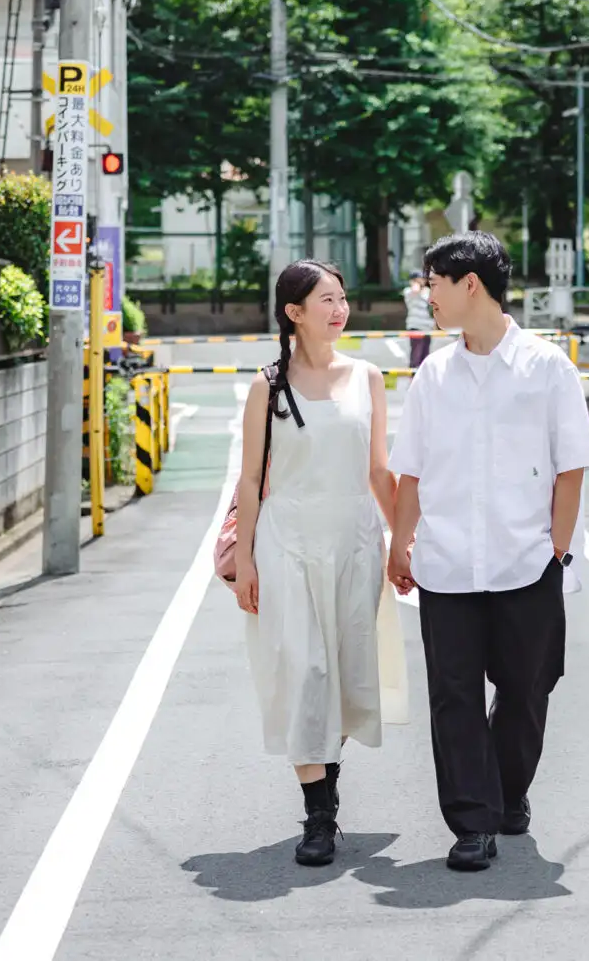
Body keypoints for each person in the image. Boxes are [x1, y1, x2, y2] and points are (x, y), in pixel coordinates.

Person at [387, 231, 589, 872]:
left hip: (526, 562)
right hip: (447, 564)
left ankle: (508, 791)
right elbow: (411, 472)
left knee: (528, 690)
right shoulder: (433, 375)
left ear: (470, 284)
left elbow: (571, 467)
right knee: (452, 697)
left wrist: (556, 550)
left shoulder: (547, 367)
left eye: (435, 283)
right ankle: (472, 822)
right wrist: (400, 544)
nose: (428, 295)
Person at [231, 258, 404, 868]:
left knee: (347, 674)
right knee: (305, 670)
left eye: (342, 298)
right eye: (326, 300)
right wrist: (245, 560)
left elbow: (379, 469)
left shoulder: (368, 378)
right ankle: (319, 815)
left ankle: (326, 780)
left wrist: (403, 539)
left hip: (354, 540)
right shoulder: (268, 387)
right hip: (287, 542)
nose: (339, 309)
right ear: (294, 312)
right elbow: (250, 479)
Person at [403, 269, 434, 368]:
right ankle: (413, 374)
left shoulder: (427, 291)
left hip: (427, 326)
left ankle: (423, 374)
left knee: (425, 353)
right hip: (416, 326)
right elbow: (415, 289)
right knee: (416, 352)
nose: (423, 280)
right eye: (420, 278)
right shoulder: (408, 291)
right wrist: (415, 283)